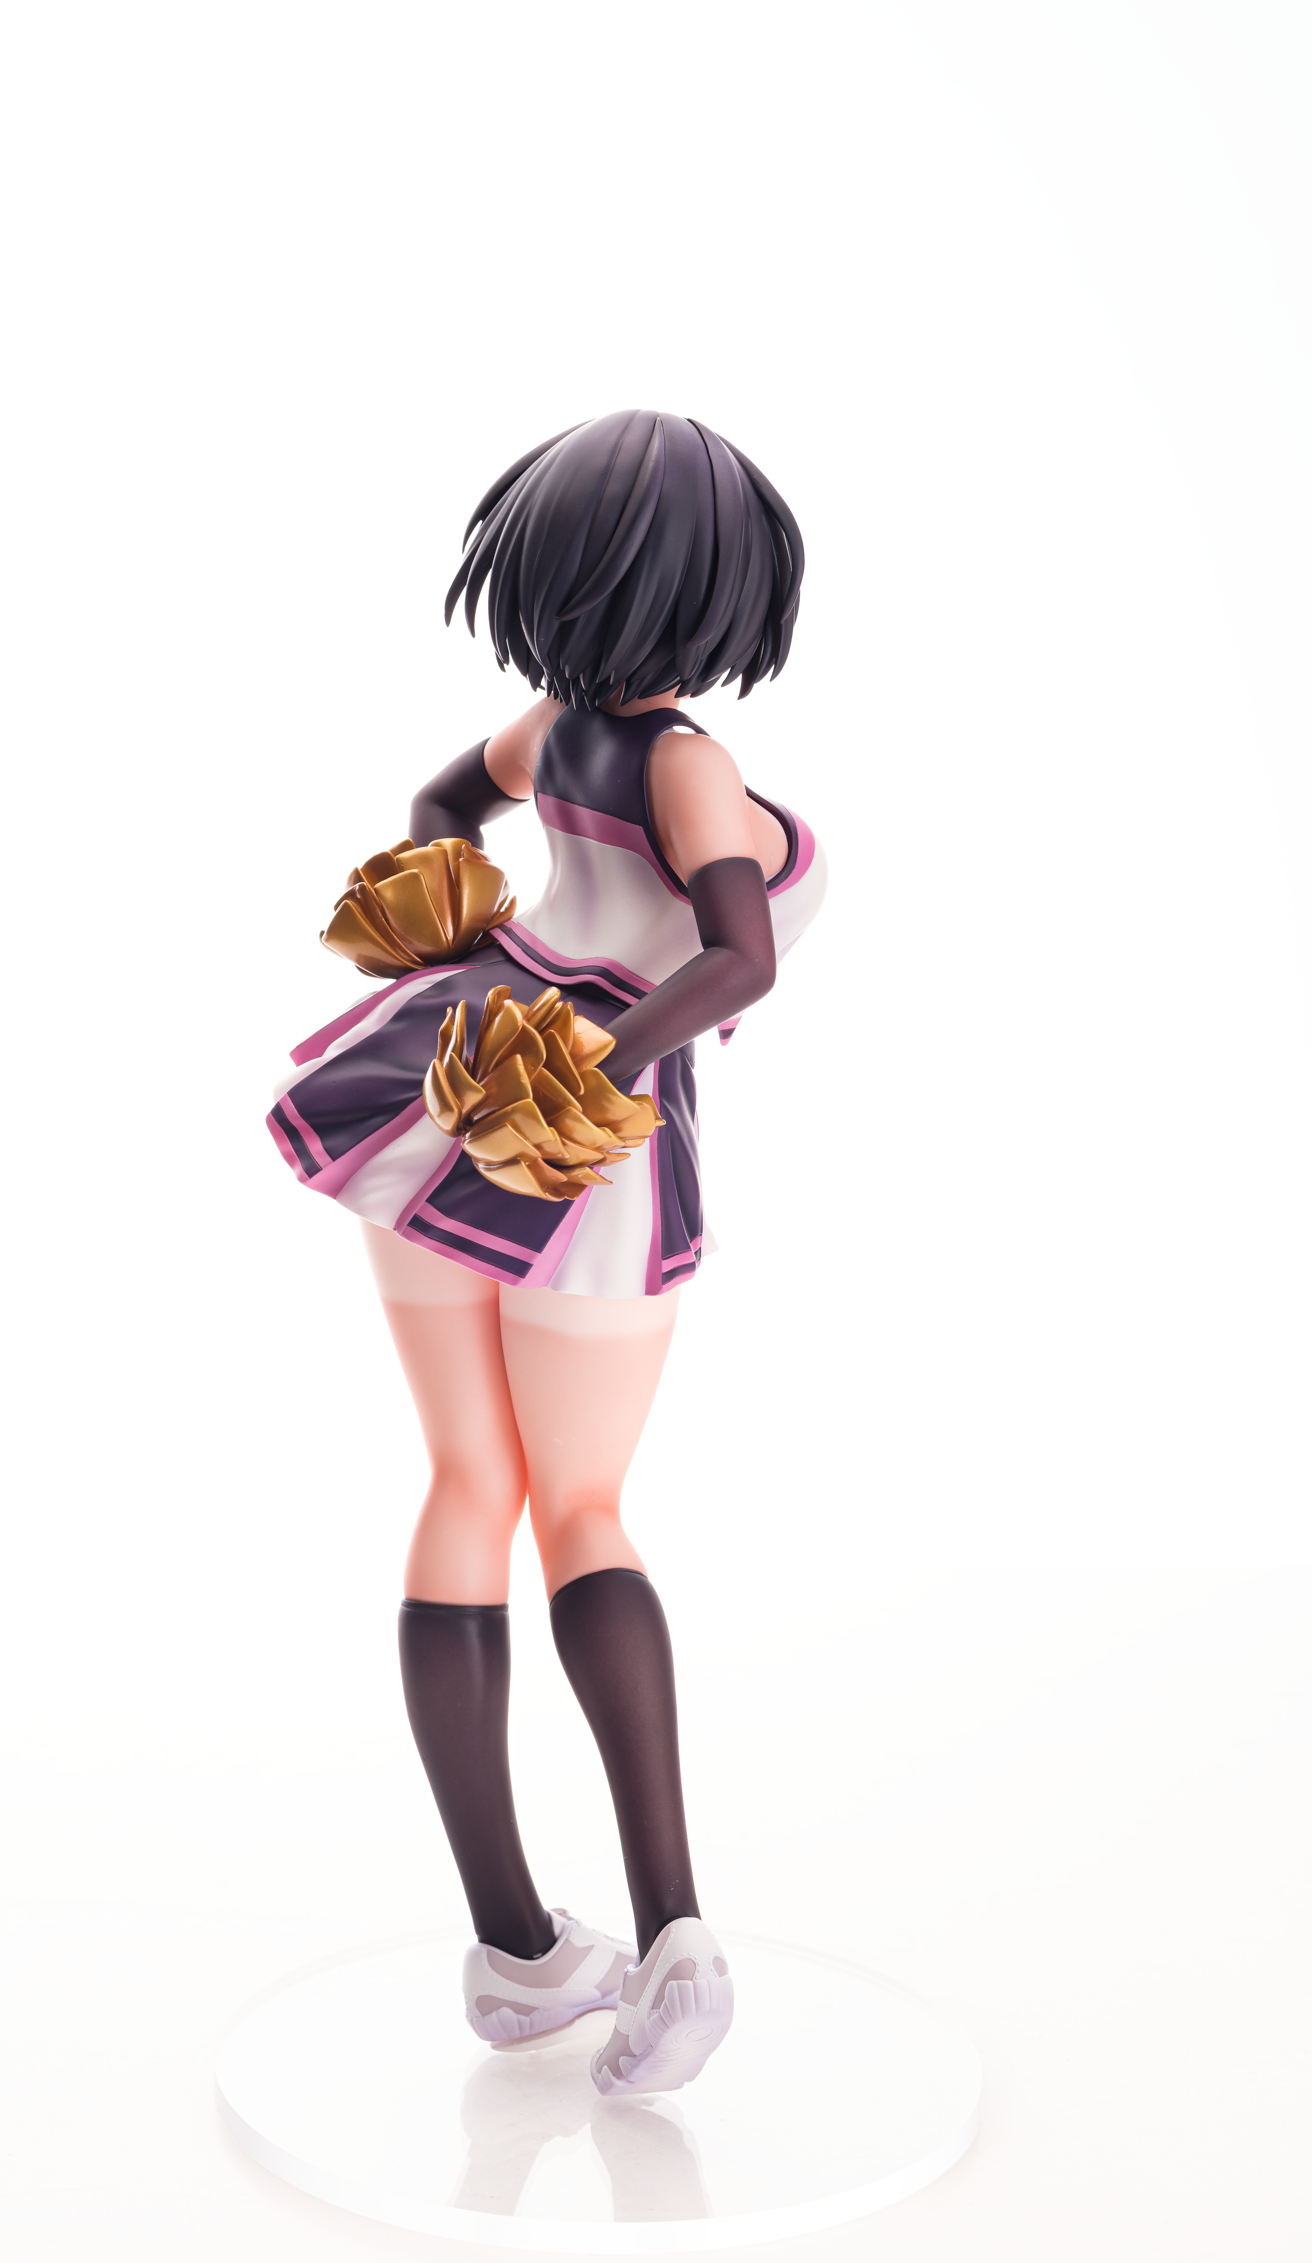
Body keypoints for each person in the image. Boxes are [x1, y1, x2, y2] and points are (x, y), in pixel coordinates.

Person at [269, 411, 826, 2094]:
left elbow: (443, 802)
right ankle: (676, 1936)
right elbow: (739, 961)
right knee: (578, 1505)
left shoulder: (551, 725)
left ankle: (514, 1950)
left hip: (449, 1069)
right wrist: (602, 1055)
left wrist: (458, 929)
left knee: (465, 1483)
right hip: (576, 1130)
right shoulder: (682, 761)